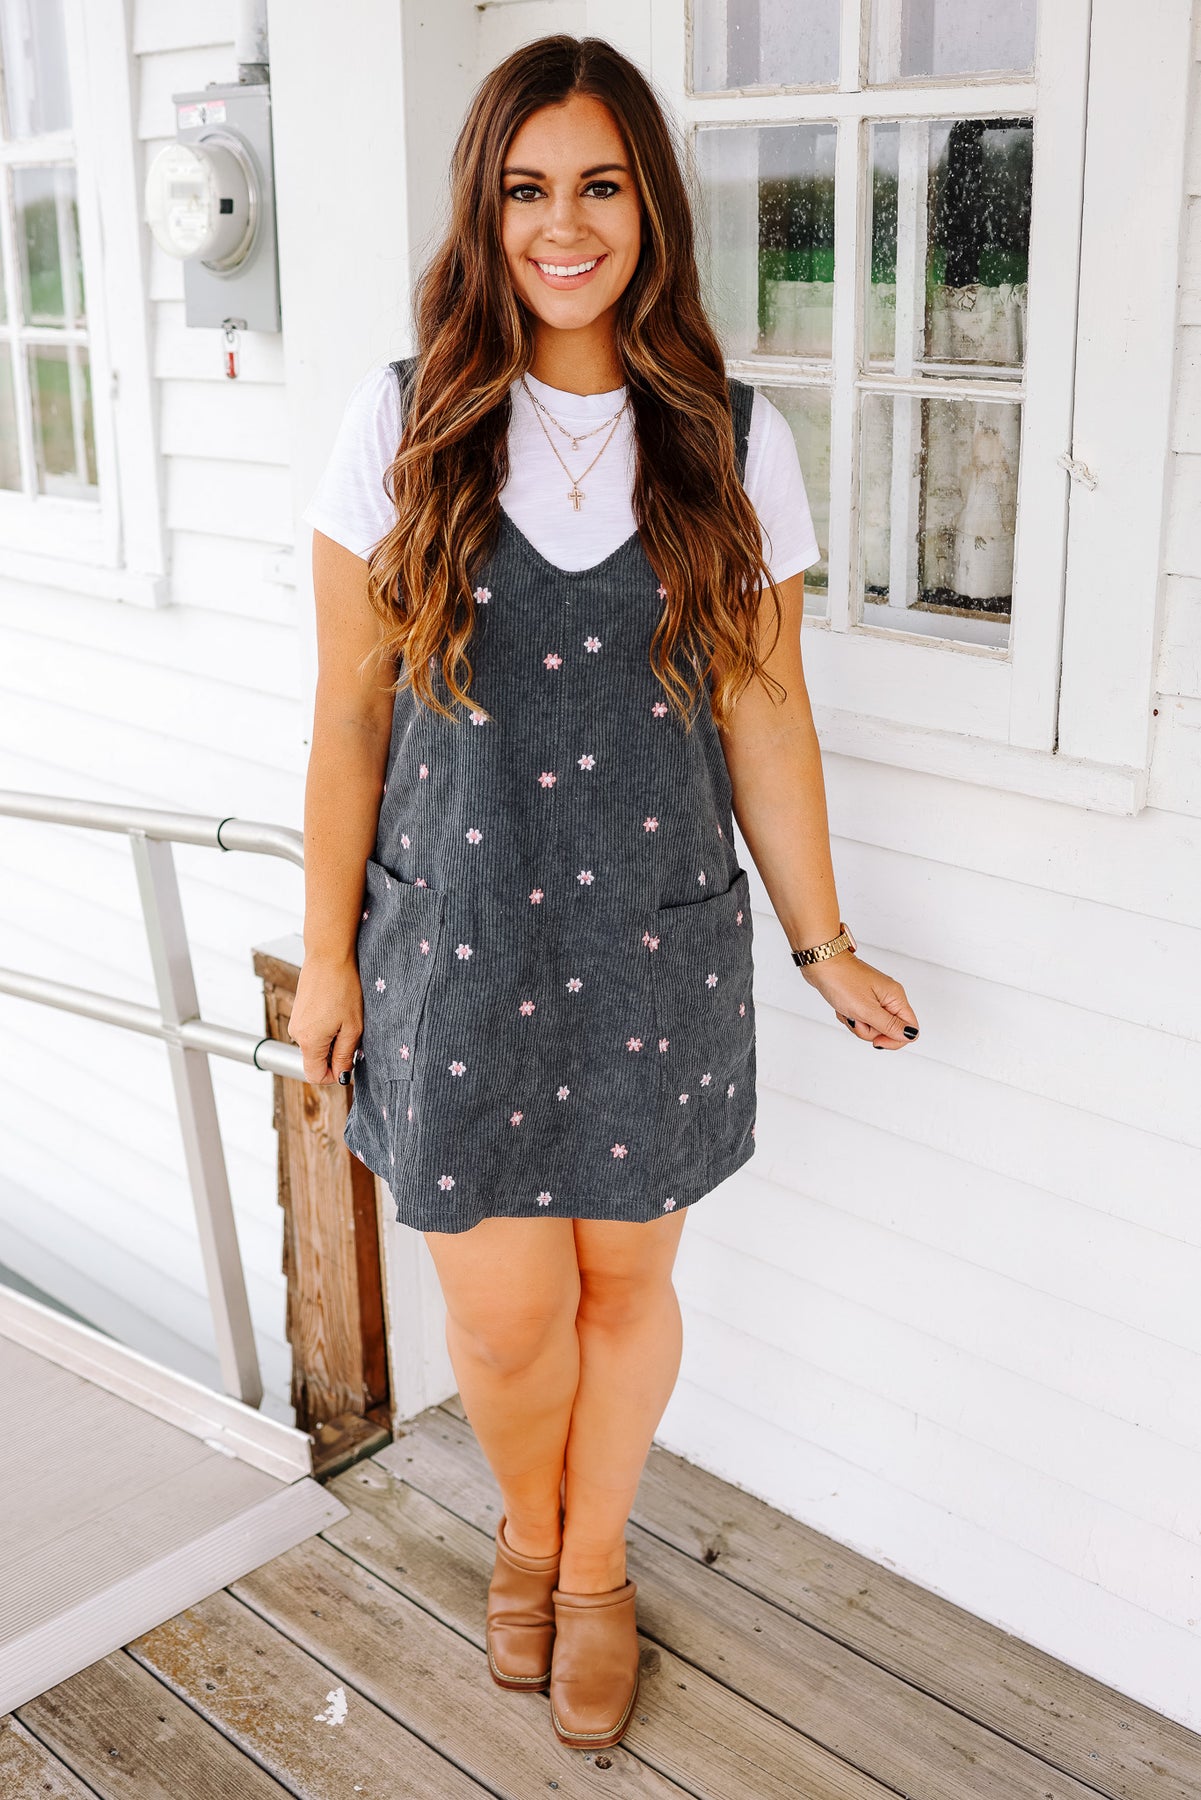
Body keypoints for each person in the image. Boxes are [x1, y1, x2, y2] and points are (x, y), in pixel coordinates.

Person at [293, 33, 920, 1753]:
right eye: (524, 190)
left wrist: (823, 943)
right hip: (454, 943)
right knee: (503, 1324)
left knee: (624, 1291)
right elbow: (347, 721)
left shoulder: (728, 439)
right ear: (481, 209)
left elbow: (765, 711)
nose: (561, 227)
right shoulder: (400, 419)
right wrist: (330, 959)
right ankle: (524, 1529)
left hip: (653, 940)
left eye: (598, 187)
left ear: (649, 209)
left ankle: (590, 1569)